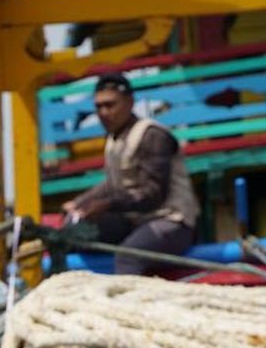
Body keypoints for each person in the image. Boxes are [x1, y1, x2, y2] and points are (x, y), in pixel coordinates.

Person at [61, 72, 199, 275]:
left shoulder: (153, 135)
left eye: (110, 105)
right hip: (137, 222)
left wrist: (107, 205)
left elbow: (152, 195)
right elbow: (110, 184)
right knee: (75, 236)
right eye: (99, 107)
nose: (104, 112)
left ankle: (126, 306)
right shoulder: (114, 140)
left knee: (127, 257)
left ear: (129, 103)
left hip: (171, 222)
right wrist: (79, 204)